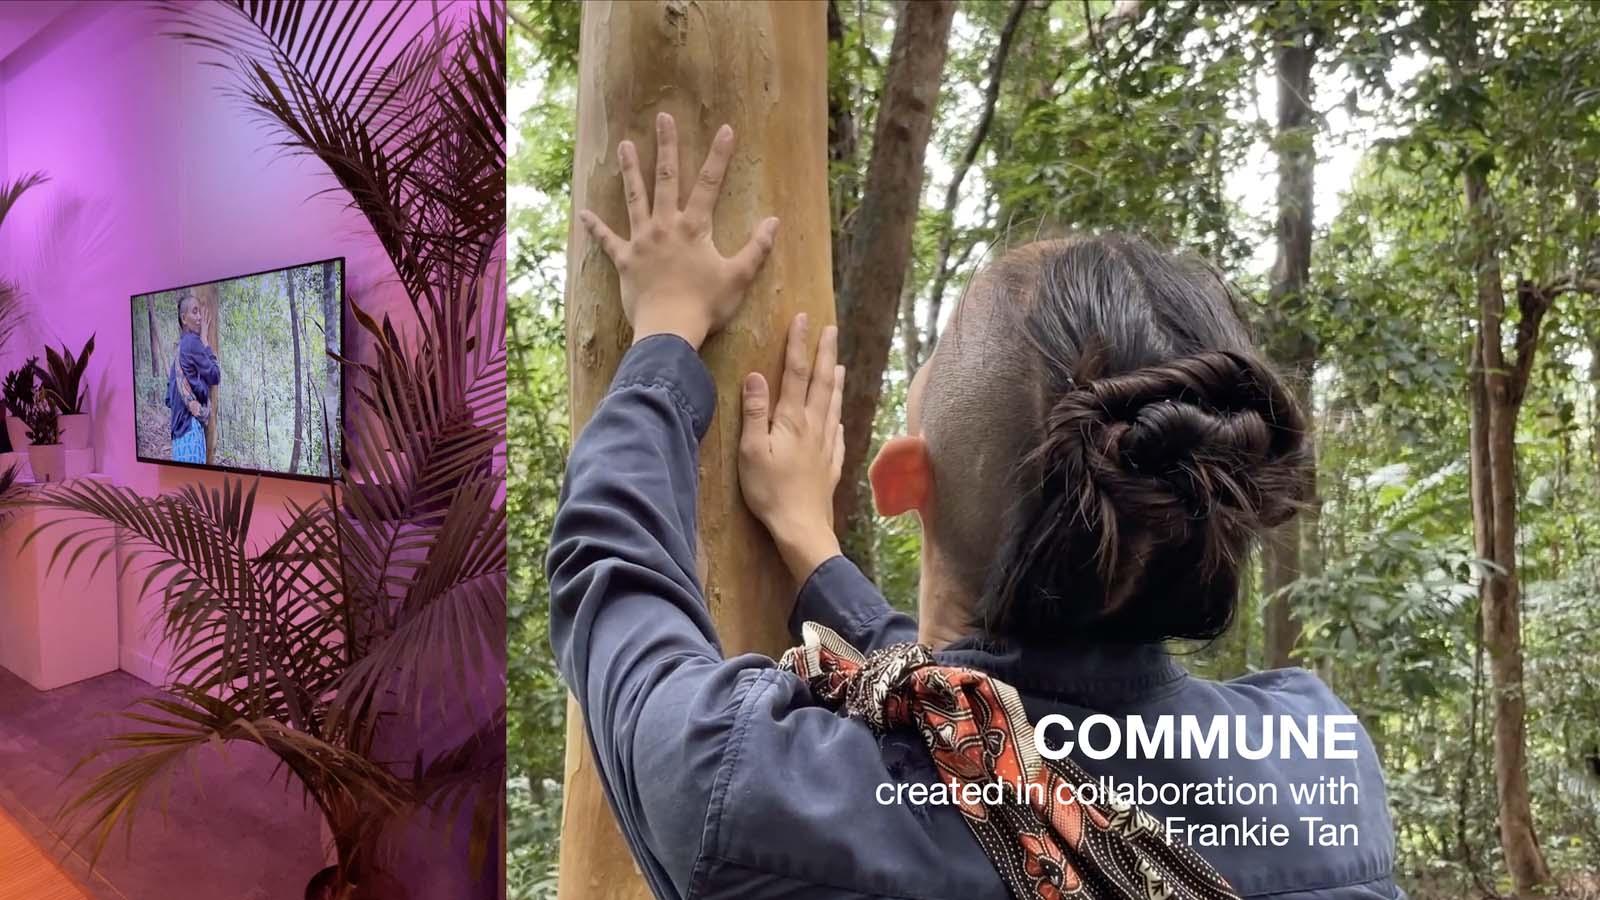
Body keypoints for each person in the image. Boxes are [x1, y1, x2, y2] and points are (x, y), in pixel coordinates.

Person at [550, 112, 1403, 899]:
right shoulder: (1320, 769)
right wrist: (814, 551)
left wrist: (664, 329)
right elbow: (1008, 721)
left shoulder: (756, 796)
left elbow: (611, 576)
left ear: (902, 482)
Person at [165, 290, 220, 464]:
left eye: (200, 313)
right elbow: (215, 375)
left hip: (177, 437)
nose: (199, 318)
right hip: (190, 431)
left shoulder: (179, 349)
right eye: (194, 312)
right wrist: (205, 341)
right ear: (183, 318)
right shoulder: (192, 342)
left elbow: (168, 399)